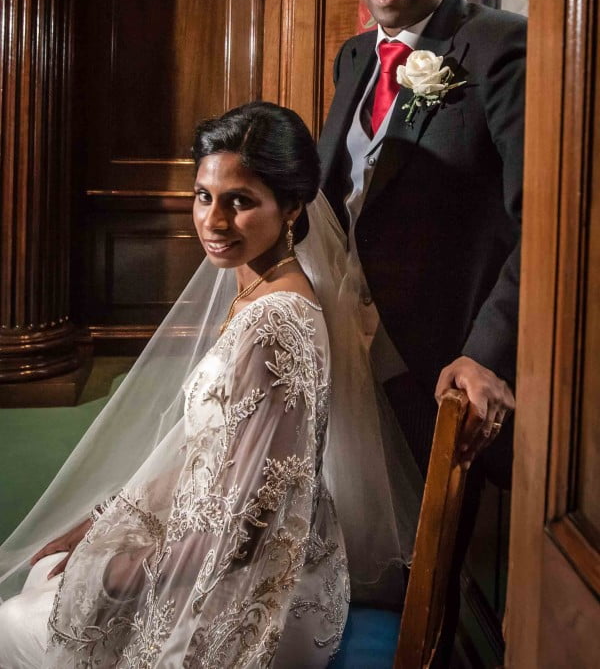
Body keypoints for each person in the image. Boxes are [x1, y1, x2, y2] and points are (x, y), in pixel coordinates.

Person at [0, 102, 418, 668]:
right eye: (204, 196)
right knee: (51, 579)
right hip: (245, 544)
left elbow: (252, 521)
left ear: (292, 207)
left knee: (19, 620)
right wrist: (97, 523)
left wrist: (121, 573)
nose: (214, 222)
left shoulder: (275, 328)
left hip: (258, 587)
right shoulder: (261, 292)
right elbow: (211, 453)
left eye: (240, 201)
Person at [318, 0, 525, 657]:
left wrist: (486, 353)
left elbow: (534, 225)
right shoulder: (351, 58)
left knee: (438, 571)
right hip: (350, 348)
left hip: (441, 361)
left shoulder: (501, 47)